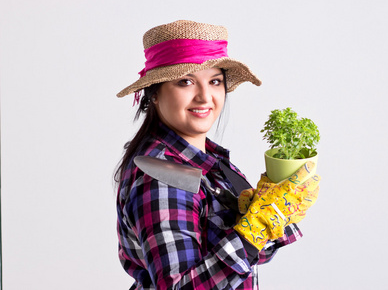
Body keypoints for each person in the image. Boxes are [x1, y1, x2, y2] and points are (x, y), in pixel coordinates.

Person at [115, 20, 321, 290]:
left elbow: (248, 260)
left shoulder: (212, 163)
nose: (204, 97)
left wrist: (274, 217)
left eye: (214, 81)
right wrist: (250, 233)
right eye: (186, 81)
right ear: (154, 93)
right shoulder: (160, 176)